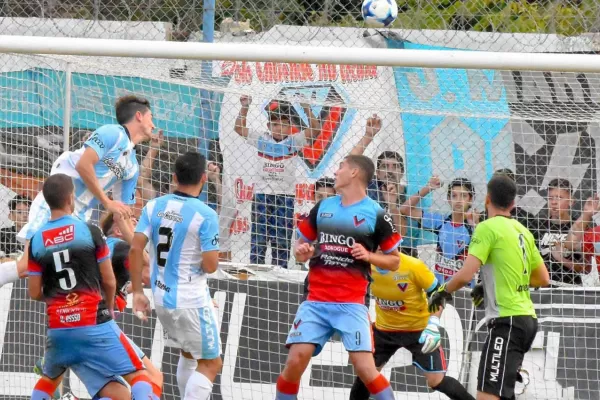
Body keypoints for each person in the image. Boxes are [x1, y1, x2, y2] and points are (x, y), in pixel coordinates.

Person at [275, 155, 402, 400]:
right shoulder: (323, 207)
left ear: (354, 173)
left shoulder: (377, 214)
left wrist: (369, 256)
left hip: (352, 304)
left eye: (341, 167)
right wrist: (303, 252)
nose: (336, 172)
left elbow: (394, 260)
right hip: (316, 301)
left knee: (366, 369)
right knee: (294, 361)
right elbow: (300, 248)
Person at [27, 174, 158, 400]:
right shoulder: (89, 231)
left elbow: (35, 292)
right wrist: (107, 308)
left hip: (58, 328)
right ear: (71, 198)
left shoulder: (36, 240)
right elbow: (109, 281)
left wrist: (61, 301)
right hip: (93, 322)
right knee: (143, 377)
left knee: (49, 381)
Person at [428, 174, 550, 400]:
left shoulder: (486, 228)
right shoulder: (523, 231)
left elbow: (465, 275)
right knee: (502, 394)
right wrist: (488, 285)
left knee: (487, 396)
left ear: (486, 199)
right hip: (527, 320)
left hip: (507, 323)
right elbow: (543, 278)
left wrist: (443, 291)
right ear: (513, 204)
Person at [13, 95, 155, 285]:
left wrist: (142, 254)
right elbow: (83, 165)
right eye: (151, 117)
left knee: (65, 276)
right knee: (25, 267)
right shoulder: (113, 133)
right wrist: (107, 202)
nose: (153, 125)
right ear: (139, 116)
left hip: (79, 218)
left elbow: (123, 216)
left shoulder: (132, 166)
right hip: (55, 204)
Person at [129, 152, 222, 400]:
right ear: (204, 178)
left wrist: (138, 291)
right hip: (191, 300)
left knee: (190, 353)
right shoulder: (206, 215)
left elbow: (136, 248)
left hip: (162, 299)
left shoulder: (154, 206)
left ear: (174, 176)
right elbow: (211, 266)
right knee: (211, 363)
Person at [349, 253, 475, 400]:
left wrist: (433, 324)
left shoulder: (413, 266)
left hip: (418, 331)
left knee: (436, 381)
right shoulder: (365, 265)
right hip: (384, 330)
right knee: (366, 375)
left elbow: (439, 294)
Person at [235, 95, 319, 267]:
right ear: (268, 126)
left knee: (281, 241)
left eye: (284, 124)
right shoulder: (261, 138)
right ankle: (255, 272)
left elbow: (316, 130)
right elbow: (239, 128)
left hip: (284, 197)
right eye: (275, 124)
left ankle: (280, 274)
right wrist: (245, 107)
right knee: (258, 240)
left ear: (290, 127)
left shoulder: (294, 142)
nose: (279, 128)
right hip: (261, 197)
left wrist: (306, 107)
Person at [400, 176, 477, 285]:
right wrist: (428, 188)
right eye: (454, 196)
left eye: (464, 196)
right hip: (440, 287)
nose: (459, 200)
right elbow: (405, 209)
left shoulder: (474, 228)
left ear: (471, 200)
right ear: (449, 200)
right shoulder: (441, 222)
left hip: (464, 289)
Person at [528, 178, 584, 285]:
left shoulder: (577, 227)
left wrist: (562, 259)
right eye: (550, 198)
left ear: (571, 201)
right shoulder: (539, 227)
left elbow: (585, 268)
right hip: (543, 288)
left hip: (570, 288)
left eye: (559, 198)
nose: (553, 202)